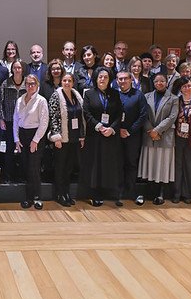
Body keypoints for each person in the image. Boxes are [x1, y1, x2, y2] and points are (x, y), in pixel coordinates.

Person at [79, 67, 123, 207]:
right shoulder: (89, 94)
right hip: (95, 135)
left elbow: (119, 113)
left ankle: (109, 192)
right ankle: (95, 193)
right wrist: (99, 126)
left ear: (109, 79)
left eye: (105, 77)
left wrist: (112, 128)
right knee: (95, 165)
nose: (102, 79)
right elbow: (86, 113)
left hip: (110, 135)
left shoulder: (115, 94)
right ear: (96, 79)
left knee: (109, 164)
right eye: (100, 77)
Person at [138, 74, 179, 205]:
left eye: (162, 81)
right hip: (149, 135)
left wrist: (157, 130)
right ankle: (147, 193)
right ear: (153, 83)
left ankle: (160, 193)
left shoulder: (174, 98)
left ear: (167, 82)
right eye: (156, 81)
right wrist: (151, 130)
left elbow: (172, 117)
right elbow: (143, 115)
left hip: (164, 136)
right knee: (149, 164)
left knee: (162, 165)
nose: (159, 83)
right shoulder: (146, 96)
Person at [48, 73, 84, 206]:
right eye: (64, 80)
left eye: (69, 80)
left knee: (69, 168)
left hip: (74, 137)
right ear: (61, 82)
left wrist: (82, 136)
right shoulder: (56, 95)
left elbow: (81, 117)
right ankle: (59, 194)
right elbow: (53, 117)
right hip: (61, 138)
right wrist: (56, 136)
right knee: (60, 167)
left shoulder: (76, 95)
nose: (67, 83)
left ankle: (66, 193)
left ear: (73, 82)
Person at [14, 74, 49, 209]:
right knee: (26, 167)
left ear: (37, 85)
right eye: (28, 84)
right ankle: (28, 197)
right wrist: (16, 139)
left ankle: (37, 197)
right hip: (23, 135)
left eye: (33, 84)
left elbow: (44, 123)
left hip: (36, 136)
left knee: (34, 167)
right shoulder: (20, 100)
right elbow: (16, 120)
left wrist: (35, 140)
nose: (30, 86)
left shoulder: (41, 101)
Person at [115, 70, 148, 205]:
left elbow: (143, 116)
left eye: (125, 79)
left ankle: (132, 191)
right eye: (120, 79)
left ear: (131, 80)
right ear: (117, 81)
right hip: (116, 136)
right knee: (118, 164)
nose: (123, 81)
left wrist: (129, 131)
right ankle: (118, 192)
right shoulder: (114, 95)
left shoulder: (139, 95)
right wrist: (118, 129)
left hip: (132, 136)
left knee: (131, 163)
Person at [0, 59, 26, 183]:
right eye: (15, 68)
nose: (17, 70)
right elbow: (0, 102)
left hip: (24, 121)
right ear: (12, 69)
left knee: (22, 149)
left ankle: (21, 176)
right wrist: (1, 119)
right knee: (9, 149)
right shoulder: (6, 83)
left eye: (19, 67)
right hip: (9, 120)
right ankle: (8, 176)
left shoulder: (28, 82)